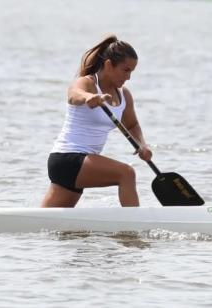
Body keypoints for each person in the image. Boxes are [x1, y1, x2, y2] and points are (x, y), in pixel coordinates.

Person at [41, 35, 152, 208]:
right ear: (108, 65)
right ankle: (135, 231)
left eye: (132, 72)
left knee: (48, 223)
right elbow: (73, 95)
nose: (129, 77)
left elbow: (132, 125)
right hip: (67, 158)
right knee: (126, 173)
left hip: (80, 165)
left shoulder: (124, 95)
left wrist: (142, 145)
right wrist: (88, 97)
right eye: (126, 70)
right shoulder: (87, 82)